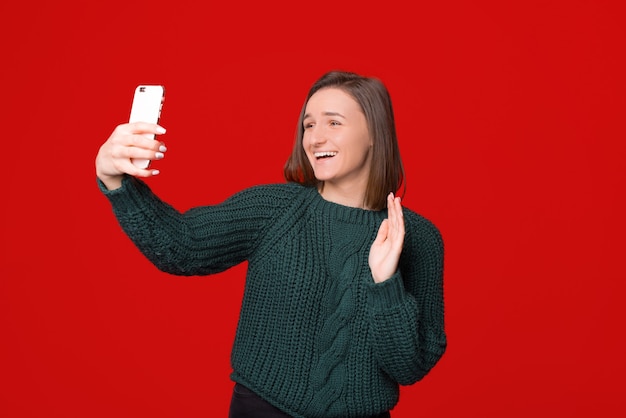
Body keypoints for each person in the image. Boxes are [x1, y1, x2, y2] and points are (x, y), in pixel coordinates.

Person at [95, 71, 446, 418]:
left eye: (333, 123)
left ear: (374, 132)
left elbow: (409, 367)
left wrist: (386, 285)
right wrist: (114, 180)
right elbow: (181, 247)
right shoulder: (276, 209)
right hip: (263, 409)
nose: (316, 138)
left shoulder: (419, 238)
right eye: (309, 125)